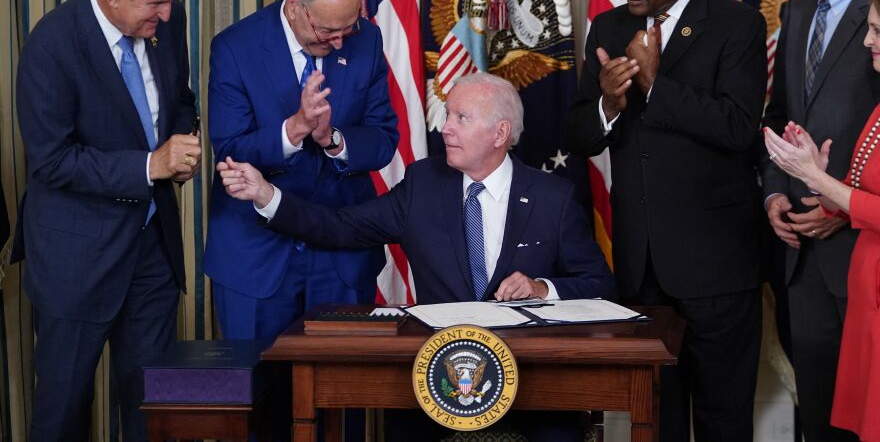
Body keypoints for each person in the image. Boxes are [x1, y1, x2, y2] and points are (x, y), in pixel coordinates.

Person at [218, 71, 614, 442]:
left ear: (500, 133)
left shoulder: (552, 197)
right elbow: (339, 226)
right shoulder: (423, 183)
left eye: (461, 117)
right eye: (448, 114)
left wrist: (541, 287)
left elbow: (599, 284)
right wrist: (266, 196)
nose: (446, 128)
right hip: (433, 386)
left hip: (533, 387)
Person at [564, 0, 767, 442]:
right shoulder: (609, 29)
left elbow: (740, 130)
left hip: (717, 267)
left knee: (723, 419)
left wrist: (656, 86)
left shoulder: (737, 25)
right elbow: (582, 134)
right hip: (643, 267)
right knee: (655, 420)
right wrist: (609, 103)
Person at [13, 0, 200, 442]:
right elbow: (52, 161)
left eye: (170, 3)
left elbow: (180, 96)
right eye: (156, 3)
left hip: (152, 252)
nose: (166, 15)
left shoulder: (169, 19)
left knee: (150, 407)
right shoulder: (51, 44)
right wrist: (150, 166)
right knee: (63, 410)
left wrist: (185, 141)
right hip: (77, 259)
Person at [205, 0, 398, 341]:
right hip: (257, 255)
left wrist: (332, 138)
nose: (340, 39)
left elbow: (383, 140)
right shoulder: (235, 47)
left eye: (349, 27)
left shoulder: (367, 40)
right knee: (260, 392)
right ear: (293, 4)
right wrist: (294, 129)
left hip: (341, 256)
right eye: (327, 30)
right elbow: (230, 149)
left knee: (343, 394)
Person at [761, 0, 880, 442]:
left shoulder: (879, 11)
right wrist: (776, 193)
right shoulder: (796, 8)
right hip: (801, 253)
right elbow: (780, 116)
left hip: (865, 249)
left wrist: (839, 203)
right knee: (818, 414)